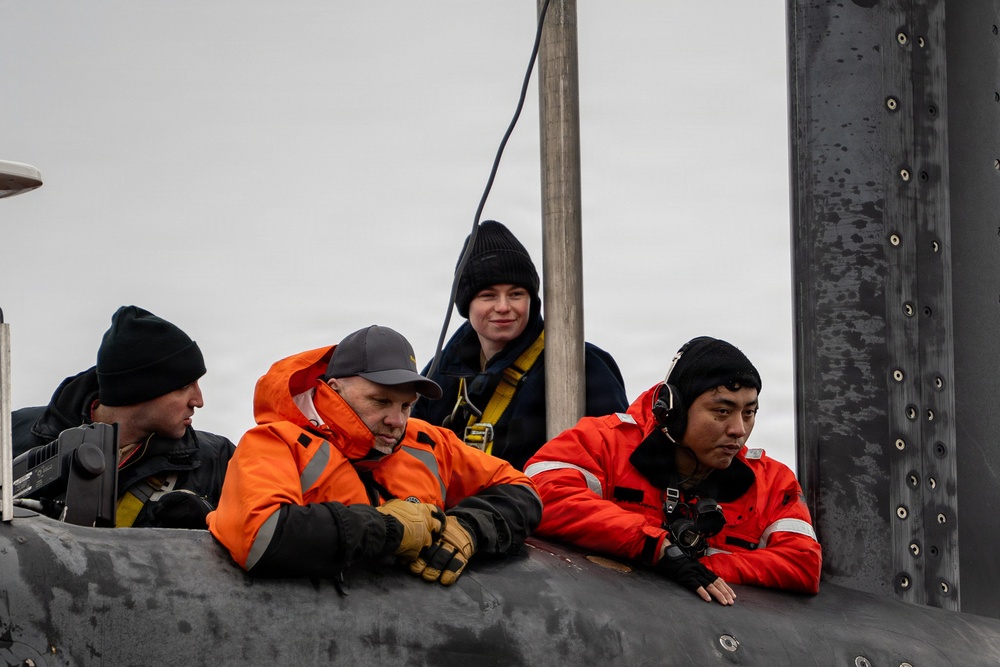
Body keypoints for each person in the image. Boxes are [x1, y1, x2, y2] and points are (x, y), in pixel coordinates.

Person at [207, 325, 542, 586]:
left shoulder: (429, 441)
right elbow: (260, 537)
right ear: (334, 388)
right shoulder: (274, 443)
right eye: (380, 401)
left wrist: (469, 527)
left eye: (406, 405)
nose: (397, 420)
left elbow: (522, 490)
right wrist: (389, 529)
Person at [524, 336, 821, 604]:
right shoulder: (601, 443)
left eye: (749, 412)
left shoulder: (773, 482)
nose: (738, 430)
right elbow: (540, 496)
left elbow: (802, 563)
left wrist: (698, 567)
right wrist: (655, 547)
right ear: (673, 409)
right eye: (722, 412)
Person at [412, 220, 628, 471]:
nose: (503, 307)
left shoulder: (584, 365)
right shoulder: (440, 373)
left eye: (516, 294)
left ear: (531, 300)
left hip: (545, 508)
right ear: (465, 305)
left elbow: (617, 458)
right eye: (488, 295)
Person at [12, 305, 236, 529]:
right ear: (141, 389)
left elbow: (258, 549)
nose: (198, 400)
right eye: (184, 387)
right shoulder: (11, 433)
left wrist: (211, 521)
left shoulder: (219, 459)